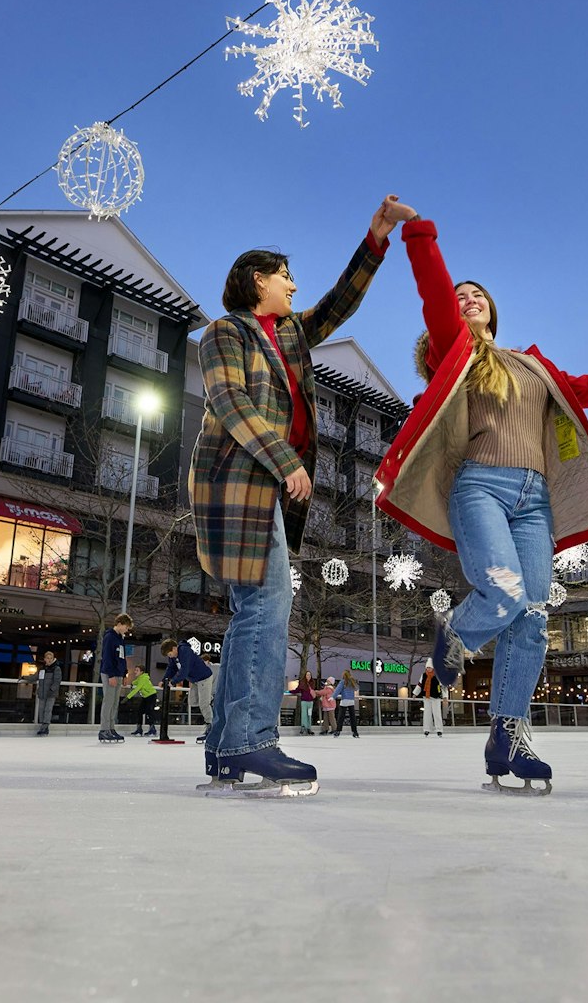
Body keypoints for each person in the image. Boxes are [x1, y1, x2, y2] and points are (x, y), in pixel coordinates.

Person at [374, 213, 588, 793]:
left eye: (477, 295)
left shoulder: (534, 366)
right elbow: (435, 295)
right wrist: (419, 233)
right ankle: (457, 632)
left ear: (493, 310)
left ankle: (508, 737)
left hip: (534, 501)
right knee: (504, 590)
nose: (467, 299)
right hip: (480, 486)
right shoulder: (457, 354)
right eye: (461, 296)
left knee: (534, 618)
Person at [190, 195, 415, 796]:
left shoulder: (288, 334)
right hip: (237, 482)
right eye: (285, 275)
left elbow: (340, 303)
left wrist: (376, 238)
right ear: (257, 281)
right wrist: (286, 460)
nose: (293, 285)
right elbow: (229, 401)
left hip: (267, 489)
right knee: (267, 604)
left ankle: (226, 748)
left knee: (253, 611)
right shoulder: (224, 332)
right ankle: (251, 739)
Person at [97, 613, 132, 744]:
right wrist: (111, 675)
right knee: (108, 701)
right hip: (109, 673)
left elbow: (122, 657)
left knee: (114, 703)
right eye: (126, 627)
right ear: (120, 624)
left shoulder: (120, 639)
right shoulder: (109, 637)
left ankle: (111, 728)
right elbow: (107, 657)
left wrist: (124, 673)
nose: (126, 630)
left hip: (118, 673)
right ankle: (104, 729)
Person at [19, 648, 64, 736]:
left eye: (51, 658)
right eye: (47, 658)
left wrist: (52, 690)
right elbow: (34, 677)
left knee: (48, 710)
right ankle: (44, 727)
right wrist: (24, 677)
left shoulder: (56, 669)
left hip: (51, 694)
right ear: (45, 659)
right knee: (41, 710)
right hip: (42, 693)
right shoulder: (42, 669)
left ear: (53, 659)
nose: (49, 660)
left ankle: (44, 727)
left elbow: (57, 681)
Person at [125, 665, 158, 737]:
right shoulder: (140, 678)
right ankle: (139, 729)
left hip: (151, 696)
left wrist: (127, 697)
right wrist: (132, 683)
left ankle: (152, 730)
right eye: (135, 670)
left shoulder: (144, 679)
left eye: (137, 670)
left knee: (149, 712)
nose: (135, 672)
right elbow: (136, 682)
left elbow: (137, 688)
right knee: (139, 712)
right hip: (145, 697)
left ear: (141, 672)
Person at [420, 659, 445, 736]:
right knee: (427, 714)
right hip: (426, 697)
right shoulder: (423, 675)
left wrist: (445, 696)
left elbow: (443, 686)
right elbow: (420, 685)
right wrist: (415, 693)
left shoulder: (438, 676)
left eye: (429, 667)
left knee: (437, 713)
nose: (428, 669)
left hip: (436, 697)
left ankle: (439, 729)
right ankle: (427, 729)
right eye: (427, 667)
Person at [333, 670, 360, 738]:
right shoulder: (352, 681)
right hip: (351, 701)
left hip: (344, 700)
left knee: (341, 717)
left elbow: (338, 690)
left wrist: (333, 697)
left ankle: (338, 731)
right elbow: (356, 688)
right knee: (352, 717)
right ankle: (355, 732)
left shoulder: (343, 682)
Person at [296, 671, 317, 735]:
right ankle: (303, 727)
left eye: (310, 675)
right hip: (304, 701)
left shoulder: (313, 683)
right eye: (307, 675)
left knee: (309, 715)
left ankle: (309, 728)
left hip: (310, 702)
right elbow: (297, 689)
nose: (308, 676)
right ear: (305, 676)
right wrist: (290, 691)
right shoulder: (302, 683)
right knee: (304, 715)